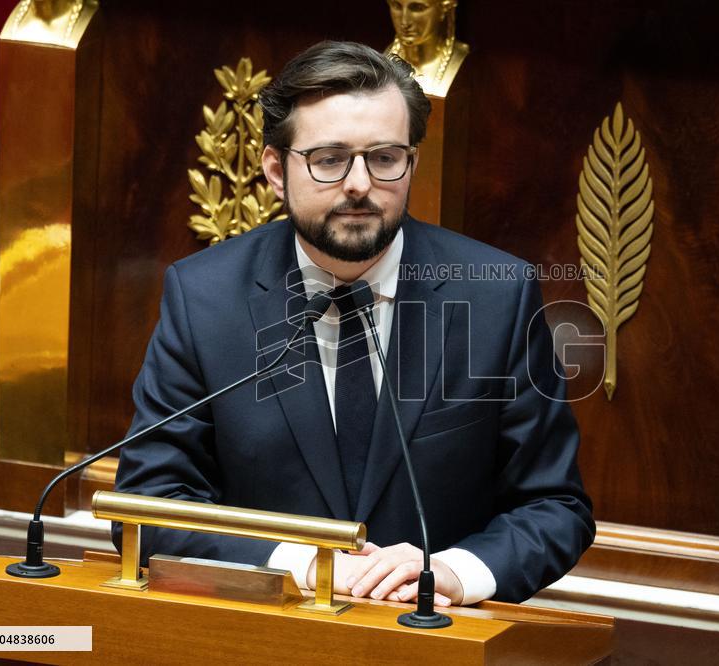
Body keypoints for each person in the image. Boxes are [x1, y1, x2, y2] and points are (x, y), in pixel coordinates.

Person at [113, 40, 594, 606]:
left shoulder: (497, 297)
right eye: (329, 159)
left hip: (433, 636)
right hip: (261, 632)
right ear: (275, 169)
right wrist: (305, 564)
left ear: (411, 162)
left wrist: (455, 571)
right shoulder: (205, 297)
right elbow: (148, 504)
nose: (360, 184)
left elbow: (555, 507)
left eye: (385, 158)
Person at [385, 0, 469, 96]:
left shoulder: (464, 64)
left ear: (444, 7)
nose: (405, 22)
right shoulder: (386, 58)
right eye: (397, 6)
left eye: (417, 8)